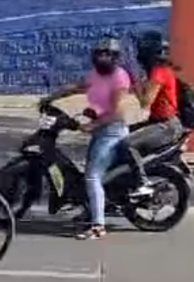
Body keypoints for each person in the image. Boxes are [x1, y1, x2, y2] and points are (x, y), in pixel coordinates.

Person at [38, 36, 131, 240]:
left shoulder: (120, 78)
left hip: (112, 132)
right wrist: (52, 97)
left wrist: (93, 125)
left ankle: (98, 226)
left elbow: (117, 113)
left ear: (116, 57)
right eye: (99, 54)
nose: (103, 58)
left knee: (92, 175)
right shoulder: (95, 75)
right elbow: (78, 87)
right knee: (87, 172)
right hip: (100, 130)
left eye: (108, 54)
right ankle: (90, 210)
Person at [123, 30, 185, 198]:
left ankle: (141, 183)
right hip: (160, 122)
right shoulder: (160, 70)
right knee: (120, 132)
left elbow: (145, 102)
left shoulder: (159, 72)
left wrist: (134, 81)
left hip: (165, 126)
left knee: (126, 144)